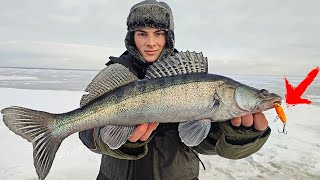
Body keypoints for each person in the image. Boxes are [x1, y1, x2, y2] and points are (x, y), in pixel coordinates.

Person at [79, 0, 271, 179]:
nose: (151, 42)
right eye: (142, 33)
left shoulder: (196, 81)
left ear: (169, 36)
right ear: (131, 36)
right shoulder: (117, 75)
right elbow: (86, 132)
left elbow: (204, 143)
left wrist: (239, 135)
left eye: (158, 33)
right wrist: (114, 141)